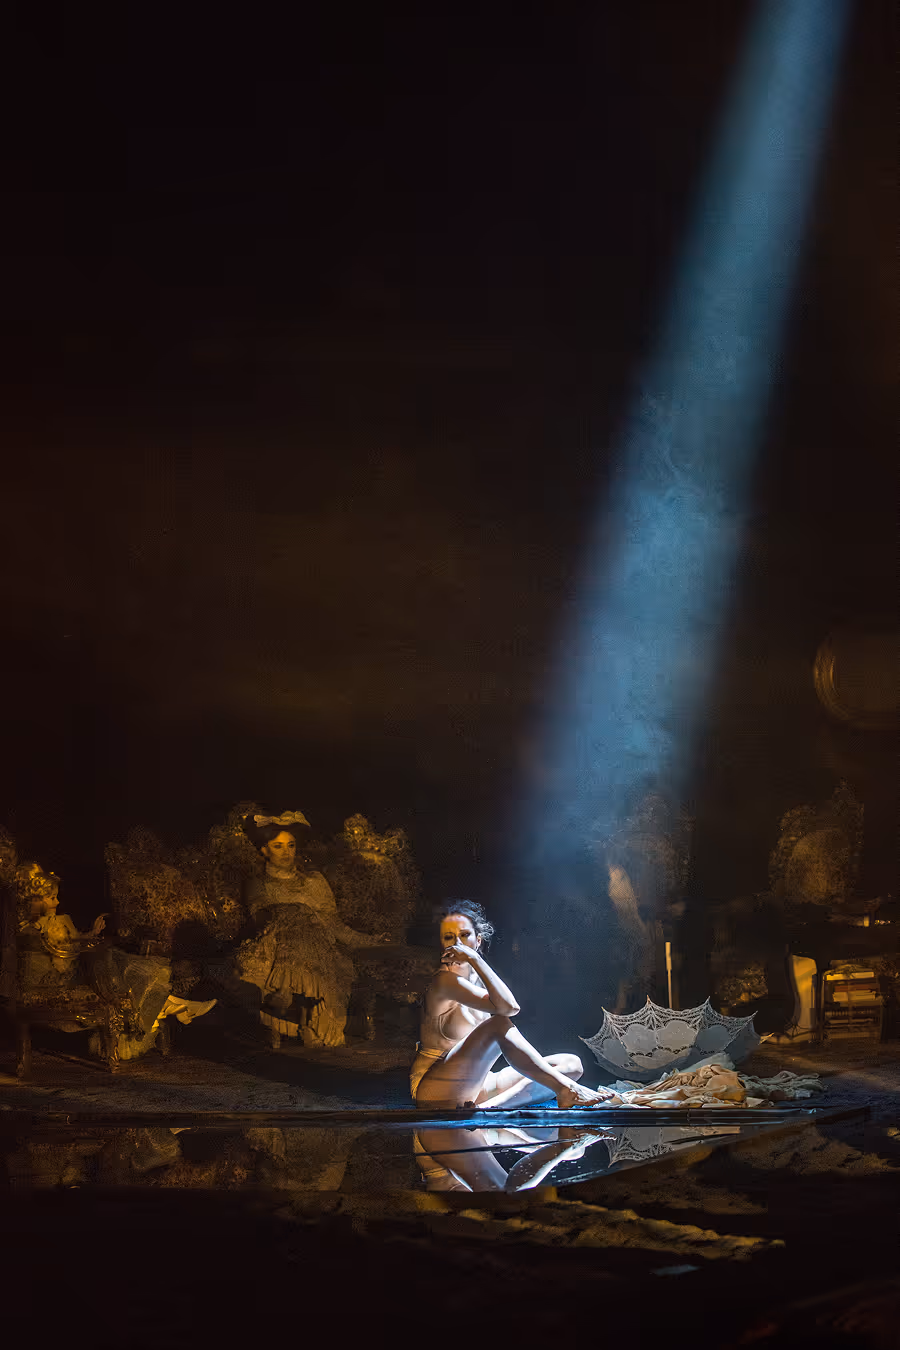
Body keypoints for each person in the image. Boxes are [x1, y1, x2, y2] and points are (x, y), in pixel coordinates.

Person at [411, 900, 617, 1109]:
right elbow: (508, 1010)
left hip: (476, 1086)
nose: (458, 943)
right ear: (442, 944)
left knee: (571, 1064)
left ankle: (490, 1109)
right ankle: (568, 1090)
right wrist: (475, 958)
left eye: (464, 935)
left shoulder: (480, 979)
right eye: (449, 937)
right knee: (498, 1024)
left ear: (478, 940)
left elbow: (510, 1005)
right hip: (434, 1089)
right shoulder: (444, 981)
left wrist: (475, 960)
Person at [237, 811, 388, 1047]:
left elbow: (334, 925)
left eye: (290, 845)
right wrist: (297, 913)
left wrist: (369, 940)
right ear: (264, 850)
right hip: (274, 948)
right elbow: (260, 921)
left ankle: (295, 1001)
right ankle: (288, 994)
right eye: (278, 846)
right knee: (294, 915)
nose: (286, 852)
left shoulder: (314, 881)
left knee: (305, 920)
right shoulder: (259, 884)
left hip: (320, 950)